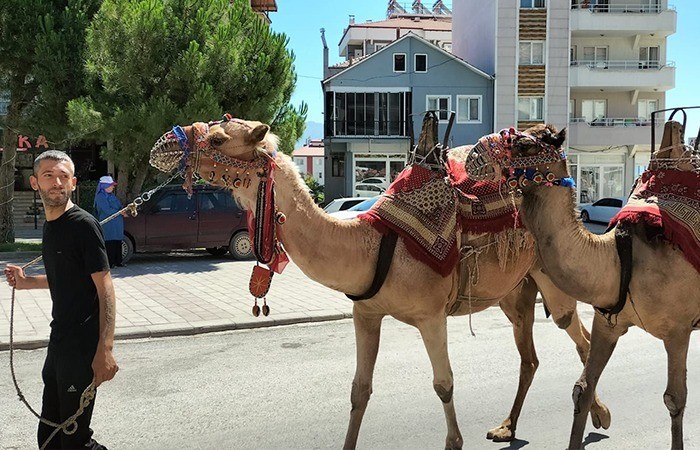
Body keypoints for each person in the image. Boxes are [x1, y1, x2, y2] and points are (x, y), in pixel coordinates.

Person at [4, 150, 118, 449]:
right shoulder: (52, 226)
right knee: (50, 438)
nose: (57, 182)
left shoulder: (83, 224)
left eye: (63, 176)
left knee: (74, 439)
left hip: (82, 348)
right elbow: (66, 280)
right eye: (49, 176)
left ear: (73, 182)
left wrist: (104, 350)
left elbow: (105, 287)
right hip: (59, 343)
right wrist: (27, 283)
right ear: (34, 182)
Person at [93, 175, 126, 268]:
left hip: (117, 222)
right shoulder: (100, 197)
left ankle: (118, 261)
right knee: (109, 241)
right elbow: (106, 209)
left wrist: (123, 210)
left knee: (118, 240)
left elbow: (119, 205)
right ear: (104, 186)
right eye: (111, 185)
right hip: (108, 222)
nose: (113, 187)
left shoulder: (112, 196)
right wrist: (119, 212)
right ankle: (110, 262)